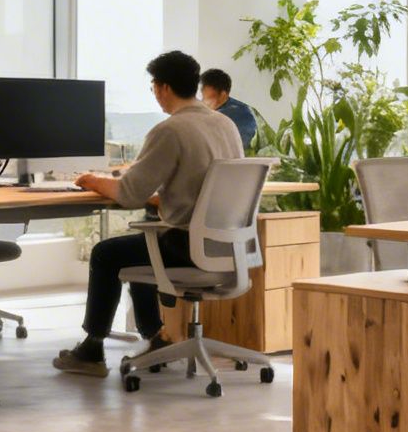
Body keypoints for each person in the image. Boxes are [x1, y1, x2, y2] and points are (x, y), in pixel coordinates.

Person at [53, 50, 244, 377]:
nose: (155, 94)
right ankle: (156, 337)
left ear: (164, 88)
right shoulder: (224, 124)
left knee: (106, 254)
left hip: (187, 247)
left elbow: (129, 194)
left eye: (154, 87)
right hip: (227, 247)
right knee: (144, 244)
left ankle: (91, 350)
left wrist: (92, 180)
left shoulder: (170, 130)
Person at [198, 68, 258, 149]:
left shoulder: (233, 113)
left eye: (207, 99)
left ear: (223, 95)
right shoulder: (238, 106)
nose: (203, 103)